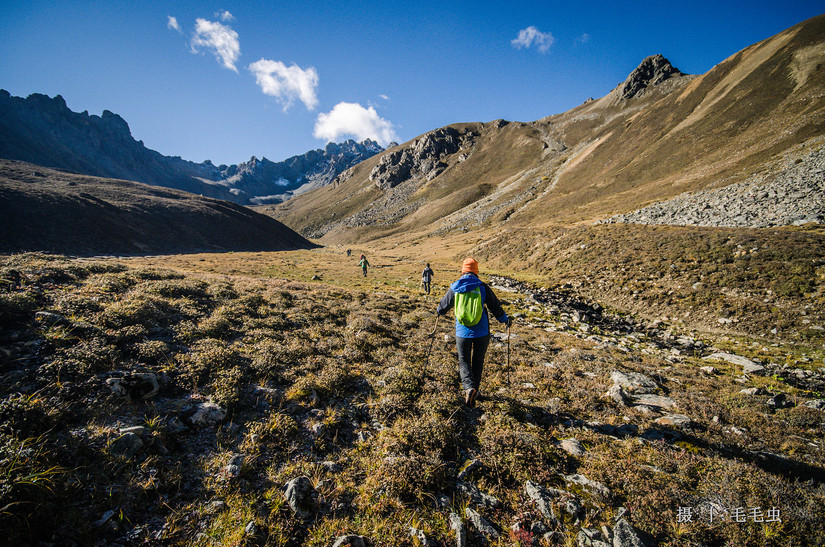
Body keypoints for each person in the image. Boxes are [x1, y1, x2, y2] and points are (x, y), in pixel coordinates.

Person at [436, 257, 510, 407]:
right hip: (482, 332)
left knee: (464, 360)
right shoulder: (482, 287)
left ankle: (469, 388)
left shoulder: (455, 287)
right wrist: (505, 319)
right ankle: (475, 391)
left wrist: (438, 312)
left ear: (463, 270)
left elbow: (443, 307)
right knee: (478, 361)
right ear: (476, 271)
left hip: (462, 332)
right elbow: (495, 307)